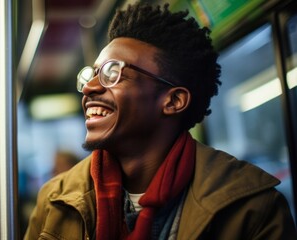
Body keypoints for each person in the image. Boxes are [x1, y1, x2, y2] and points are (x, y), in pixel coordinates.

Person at [24, 2, 297, 240]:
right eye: (92, 74)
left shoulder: (251, 207)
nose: (89, 88)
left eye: (112, 73)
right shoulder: (55, 199)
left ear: (173, 101)